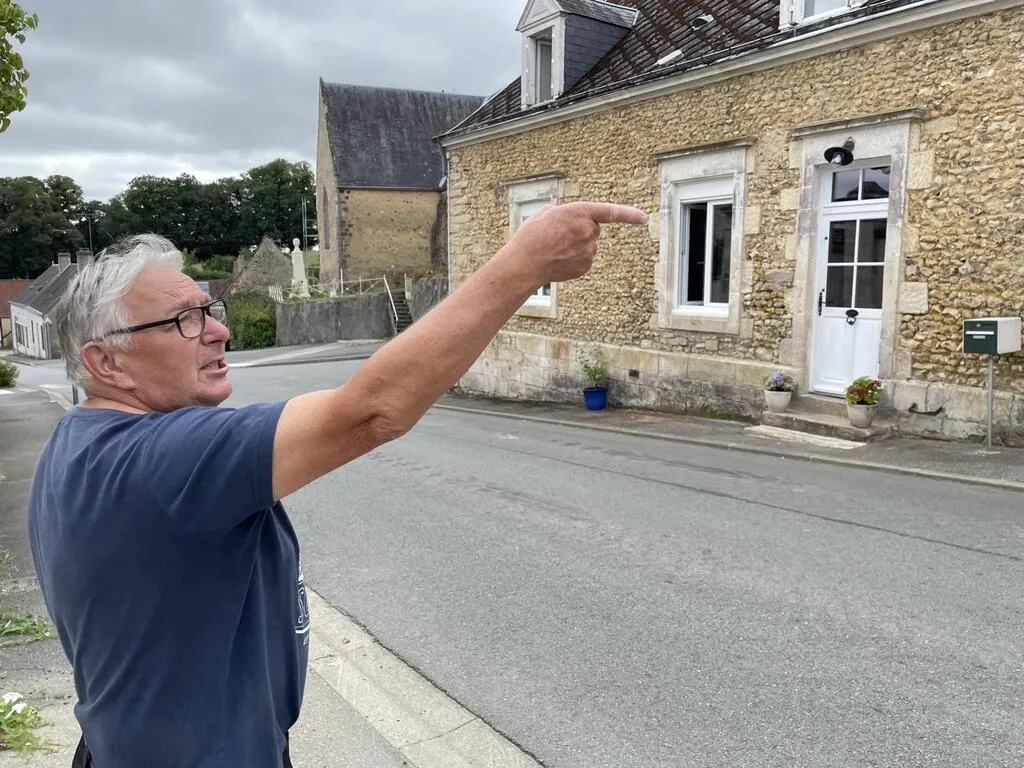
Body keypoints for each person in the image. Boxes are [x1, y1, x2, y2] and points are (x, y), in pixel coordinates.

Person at [26, 201, 646, 767]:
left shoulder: (78, 445)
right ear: (106, 362)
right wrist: (526, 263)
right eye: (183, 320)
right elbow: (372, 411)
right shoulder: (160, 460)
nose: (218, 331)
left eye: (209, 310)